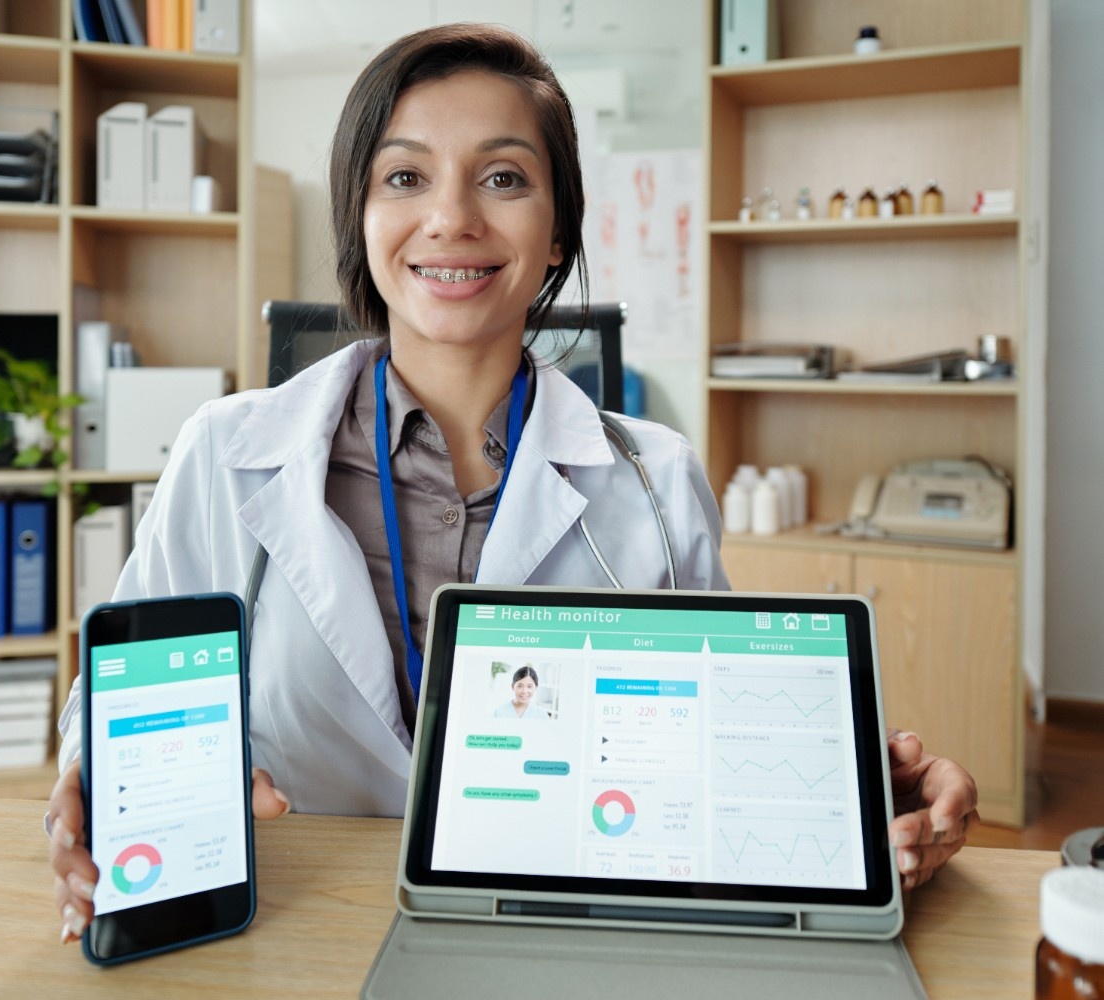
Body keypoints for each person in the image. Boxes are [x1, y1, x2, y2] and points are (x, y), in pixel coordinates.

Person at [48, 23, 979, 944]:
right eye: (404, 177)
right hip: (291, 936)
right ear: (360, 216)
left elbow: (715, 748)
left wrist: (860, 795)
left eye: (503, 177)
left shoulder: (654, 479)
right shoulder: (225, 453)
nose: (452, 218)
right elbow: (113, 704)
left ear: (559, 226)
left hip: (566, 938)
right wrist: (97, 780)